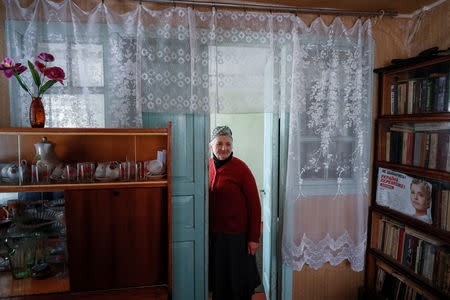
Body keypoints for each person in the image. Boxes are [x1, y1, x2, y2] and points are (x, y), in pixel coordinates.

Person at [208, 125, 261, 300]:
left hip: (237, 237)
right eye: (219, 144)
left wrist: (253, 238)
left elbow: (254, 205)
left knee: (239, 284)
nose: (224, 148)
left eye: (228, 144)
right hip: (215, 236)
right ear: (211, 146)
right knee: (220, 282)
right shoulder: (206, 166)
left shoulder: (241, 168)